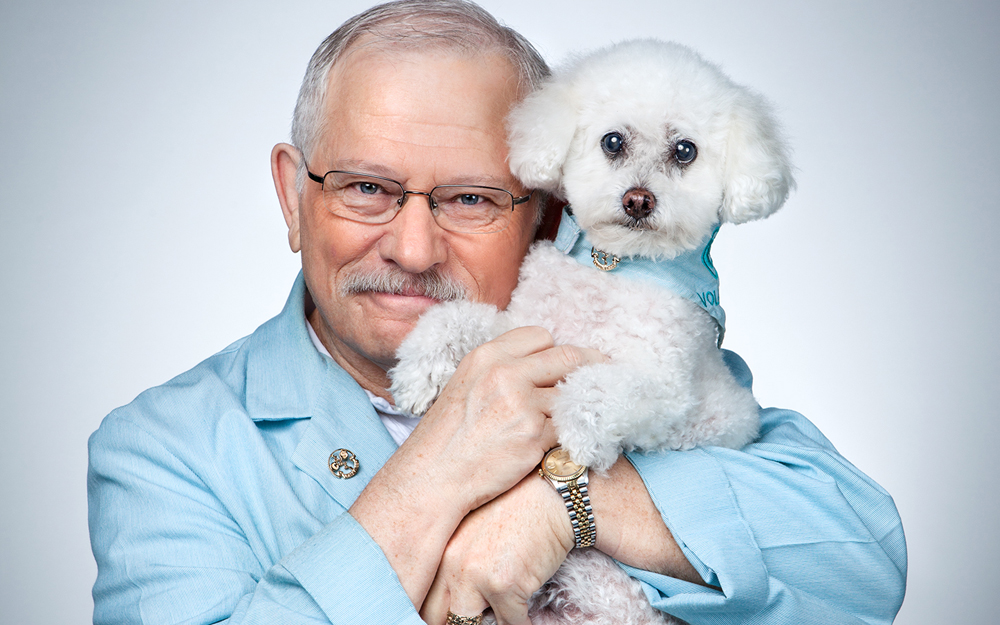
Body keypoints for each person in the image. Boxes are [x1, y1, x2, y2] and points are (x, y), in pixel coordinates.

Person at [87, 1, 907, 624]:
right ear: (291, 197)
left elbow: (863, 557)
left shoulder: (632, 356)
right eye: (367, 188)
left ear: (546, 216)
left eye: (470, 198)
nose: (412, 248)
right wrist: (433, 476)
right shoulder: (161, 451)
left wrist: (565, 508)